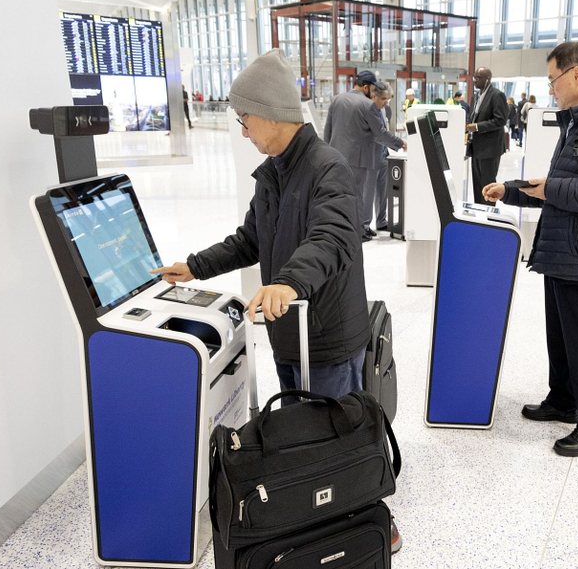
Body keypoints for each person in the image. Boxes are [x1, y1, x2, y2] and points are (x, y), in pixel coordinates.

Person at [148, 50, 403, 553]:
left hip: (326, 335)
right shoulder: (274, 173)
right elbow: (250, 239)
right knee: (306, 437)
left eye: (244, 120)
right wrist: (194, 265)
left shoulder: (328, 168)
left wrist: (288, 283)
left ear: (267, 114)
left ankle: (374, 520)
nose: (243, 131)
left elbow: (331, 238)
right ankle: (317, 524)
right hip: (291, 334)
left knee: (340, 435)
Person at [482, 42, 578, 457]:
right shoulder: (577, 124)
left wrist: (548, 188)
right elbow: (559, 189)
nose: (551, 88)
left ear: (576, 74)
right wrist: (511, 191)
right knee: (562, 335)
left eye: (553, 79)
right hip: (562, 250)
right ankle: (564, 399)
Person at [323, 70, 406, 242]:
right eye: (373, 89)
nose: (374, 92)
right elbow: (380, 134)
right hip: (358, 161)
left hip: (336, 157)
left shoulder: (337, 99)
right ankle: (358, 233)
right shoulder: (368, 106)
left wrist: (327, 153)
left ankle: (343, 231)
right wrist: (401, 144)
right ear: (366, 87)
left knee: (340, 196)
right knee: (358, 197)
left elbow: (328, 130)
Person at [465, 68, 508, 205]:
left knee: (488, 185)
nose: (475, 80)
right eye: (474, 77)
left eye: (478, 78)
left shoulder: (497, 95)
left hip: (490, 148)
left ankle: (488, 214)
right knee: (477, 184)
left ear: (487, 79)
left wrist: (477, 127)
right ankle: (479, 212)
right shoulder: (476, 96)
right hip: (476, 147)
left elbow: (500, 120)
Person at [369, 82, 399, 232]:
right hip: (370, 155)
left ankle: (381, 220)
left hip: (383, 153)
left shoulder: (385, 110)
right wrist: (399, 144)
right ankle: (364, 225)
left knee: (382, 190)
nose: (386, 102)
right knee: (368, 192)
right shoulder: (369, 109)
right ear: (374, 96)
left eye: (388, 99)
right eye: (384, 99)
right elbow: (379, 134)